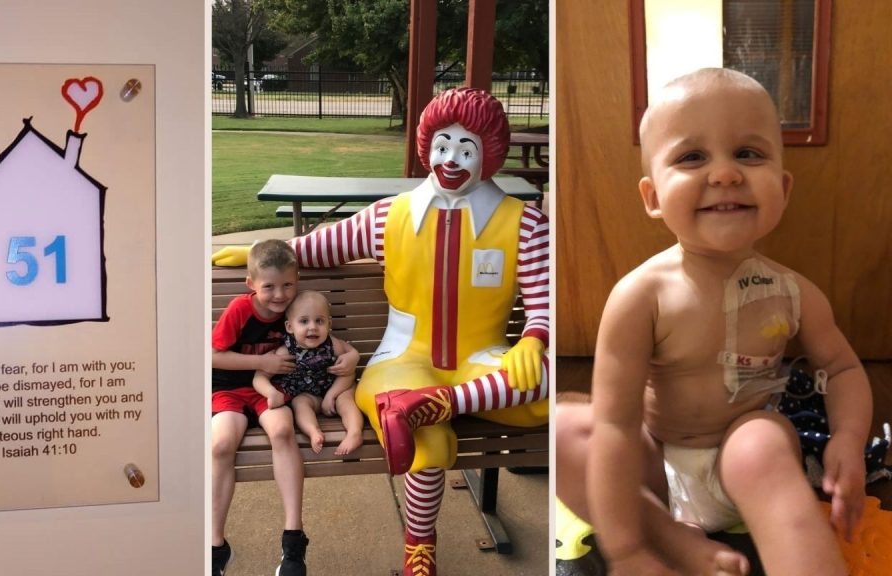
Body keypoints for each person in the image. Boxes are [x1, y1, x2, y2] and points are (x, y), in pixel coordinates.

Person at [213, 87, 550, 576]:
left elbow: (542, 300)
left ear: (489, 154)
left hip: (481, 361)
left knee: (545, 384)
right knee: (426, 439)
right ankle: (420, 556)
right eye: (442, 144)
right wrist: (262, 255)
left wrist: (534, 338)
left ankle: (439, 402)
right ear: (426, 146)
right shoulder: (390, 216)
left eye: (466, 147)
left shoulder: (526, 225)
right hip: (403, 360)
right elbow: (319, 245)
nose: (450, 158)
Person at [556, 68, 872, 576]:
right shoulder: (640, 296)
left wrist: (848, 441)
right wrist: (627, 550)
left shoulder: (792, 292)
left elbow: (841, 370)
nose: (724, 173)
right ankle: (667, 542)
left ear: (783, 189)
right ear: (653, 196)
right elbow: (616, 424)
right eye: (691, 157)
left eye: (749, 153)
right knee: (566, 425)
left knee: (761, 441)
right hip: (654, 473)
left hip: (741, 468)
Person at [210, 239, 358, 576]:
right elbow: (213, 355)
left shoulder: (294, 312)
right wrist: (261, 360)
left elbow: (337, 344)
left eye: (287, 285)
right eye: (269, 287)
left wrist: (351, 357)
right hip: (230, 389)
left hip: (273, 391)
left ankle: (293, 541)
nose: (279, 295)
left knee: (281, 429)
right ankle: (216, 545)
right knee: (221, 444)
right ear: (251, 285)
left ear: (297, 281)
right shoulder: (240, 310)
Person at [253, 289, 364, 456]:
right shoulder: (285, 352)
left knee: (346, 399)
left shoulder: (333, 345)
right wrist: (271, 393)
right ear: (290, 327)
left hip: (335, 389)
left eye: (319, 321)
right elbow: (259, 377)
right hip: (308, 396)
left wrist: (331, 395)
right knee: (300, 403)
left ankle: (355, 433)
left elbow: (348, 372)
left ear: (329, 324)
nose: (312, 327)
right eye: (304, 321)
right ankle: (313, 432)